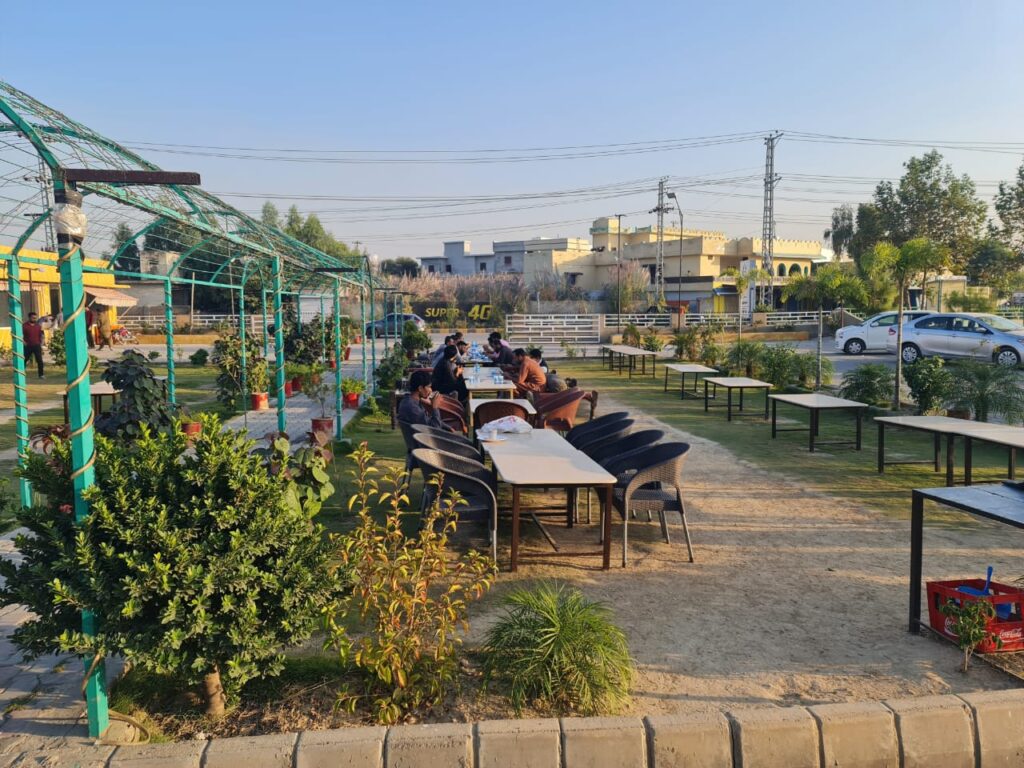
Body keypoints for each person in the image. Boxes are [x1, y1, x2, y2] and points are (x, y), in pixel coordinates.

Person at [22, 312, 45, 379]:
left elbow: (42, 335)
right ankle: (22, 373)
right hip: (27, 346)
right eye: (33, 318)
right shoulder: (24, 326)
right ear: (29, 318)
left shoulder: (38, 326)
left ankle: (41, 375)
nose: (34, 319)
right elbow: (20, 335)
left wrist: (41, 344)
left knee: (40, 361)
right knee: (24, 360)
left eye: (35, 318)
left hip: (37, 345)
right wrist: (24, 342)